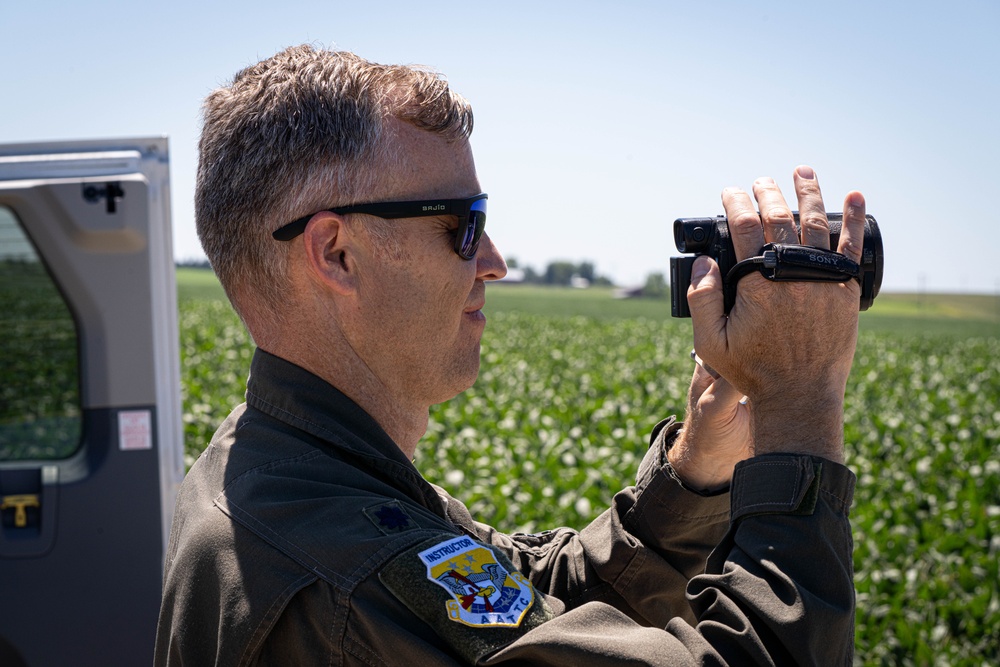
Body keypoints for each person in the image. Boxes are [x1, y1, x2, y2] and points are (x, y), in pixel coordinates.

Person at [155, 44, 866, 665]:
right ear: (336, 253)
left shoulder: (290, 462)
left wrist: (700, 468)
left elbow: (530, 599)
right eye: (465, 225)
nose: (493, 261)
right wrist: (800, 399)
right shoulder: (340, 574)